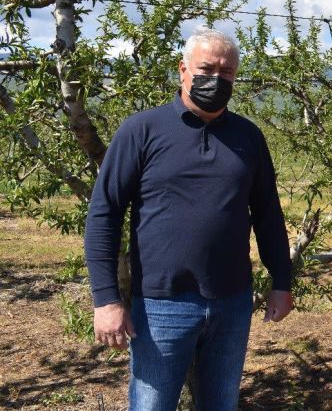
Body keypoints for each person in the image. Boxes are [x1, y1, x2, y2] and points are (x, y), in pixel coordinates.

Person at [84, 28, 293, 410]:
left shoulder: (249, 137)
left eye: (227, 72)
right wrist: (106, 299)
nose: (217, 79)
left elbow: (267, 214)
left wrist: (281, 280)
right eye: (206, 68)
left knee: (221, 403)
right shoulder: (142, 131)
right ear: (183, 70)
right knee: (152, 404)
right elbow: (105, 213)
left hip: (232, 301)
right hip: (162, 302)